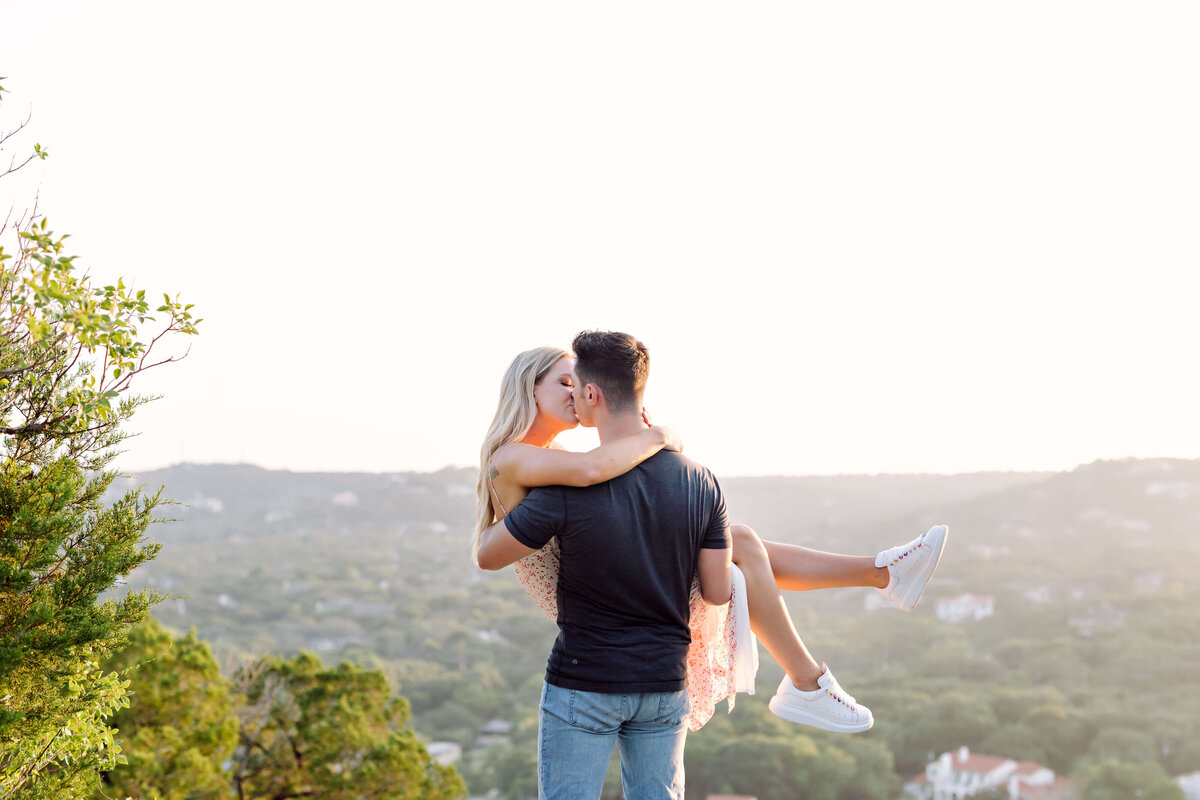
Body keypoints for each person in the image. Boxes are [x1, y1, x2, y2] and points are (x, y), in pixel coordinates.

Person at [473, 337, 948, 789]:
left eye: (578, 383)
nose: (575, 392)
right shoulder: (516, 456)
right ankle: (820, 663)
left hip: (612, 592)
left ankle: (877, 579)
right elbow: (595, 470)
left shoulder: (552, 456)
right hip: (595, 596)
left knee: (741, 541)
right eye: (563, 382)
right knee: (738, 538)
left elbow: (611, 478)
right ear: (527, 386)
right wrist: (659, 435)